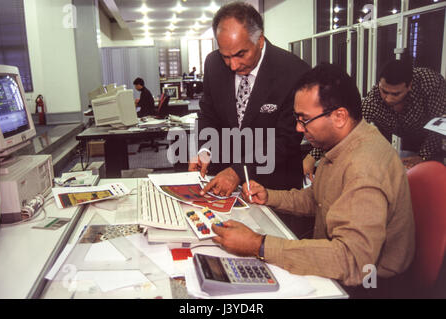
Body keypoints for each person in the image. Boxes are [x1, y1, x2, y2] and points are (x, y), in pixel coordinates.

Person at [211, 64, 415, 297]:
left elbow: (353, 261)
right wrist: (270, 196)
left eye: (304, 119)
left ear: (339, 116)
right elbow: (319, 199)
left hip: (371, 286)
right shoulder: (346, 144)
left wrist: (259, 245)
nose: (298, 128)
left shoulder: (364, 167)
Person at [189, 2, 310, 196]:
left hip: (275, 185)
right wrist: (205, 150)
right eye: (226, 56)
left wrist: (239, 171)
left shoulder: (294, 71)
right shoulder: (213, 64)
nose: (233, 65)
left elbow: (286, 139)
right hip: (223, 183)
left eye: (240, 54)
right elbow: (208, 113)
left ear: (259, 40)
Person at [303, 59, 446, 177]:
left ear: (410, 86)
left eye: (395, 94)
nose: (388, 98)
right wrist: (312, 156)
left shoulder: (430, 84)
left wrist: (423, 156)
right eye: (384, 91)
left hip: (434, 138)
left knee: (432, 176)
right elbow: (346, 127)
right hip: (404, 137)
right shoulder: (374, 100)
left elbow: (437, 127)